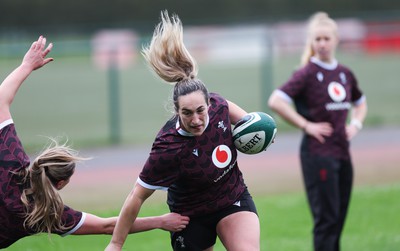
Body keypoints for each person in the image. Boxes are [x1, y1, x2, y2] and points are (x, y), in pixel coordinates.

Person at [0, 36, 190, 249]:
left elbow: (1, 100)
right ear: (61, 184)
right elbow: (107, 226)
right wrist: (160, 221)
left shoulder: (12, 162)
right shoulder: (47, 214)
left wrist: (26, 65)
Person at [105, 11, 260, 251]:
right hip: (190, 215)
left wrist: (262, 135)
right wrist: (116, 244)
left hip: (232, 199)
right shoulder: (167, 146)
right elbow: (136, 196)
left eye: (201, 110)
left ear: (209, 104)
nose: (196, 119)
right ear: (177, 112)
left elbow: (252, 125)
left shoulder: (220, 106)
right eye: (187, 113)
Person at [268, 12, 368, 251]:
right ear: (311, 43)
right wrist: (306, 125)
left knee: (339, 219)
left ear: (336, 40)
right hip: (317, 154)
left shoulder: (344, 73)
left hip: (342, 153)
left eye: (326, 38)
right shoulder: (307, 73)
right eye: (317, 39)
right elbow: (276, 101)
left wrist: (355, 124)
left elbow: (360, 102)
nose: (322, 43)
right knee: (326, 220)